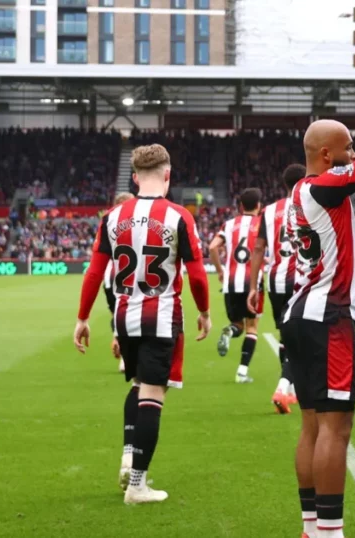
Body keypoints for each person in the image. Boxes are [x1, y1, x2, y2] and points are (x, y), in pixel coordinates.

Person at [269, 46, 355, 538]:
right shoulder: (324, 185)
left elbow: (320, 266)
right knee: (334, 429)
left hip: (307, 316)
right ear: (327, 155)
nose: (354, 152)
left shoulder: (296, 198)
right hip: (326, 319)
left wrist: (350, 323)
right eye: (347, 146)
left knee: (310, 426)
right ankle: (329, 532)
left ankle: (311, 526)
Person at [73, 143, 212, 504]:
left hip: (123, 317)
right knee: (153, 393)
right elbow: (197, 274)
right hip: (161, 316)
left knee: (138, 385)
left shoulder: (113, 217)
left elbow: (94, 271)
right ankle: (137, 483)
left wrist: (83, 318)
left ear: (135, 177)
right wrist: (205, 311)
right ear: (167, 174)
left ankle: (127, 457)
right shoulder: (179, 215)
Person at [248, 163, 307, 414]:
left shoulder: (270, 211)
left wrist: (253, 287)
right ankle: (284, 387)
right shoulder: (311, 205)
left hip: (275, 280)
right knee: (303, 338)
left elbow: (258, 249)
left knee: (287, 335)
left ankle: (292, 391)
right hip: (301, 279)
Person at [209, 188, 265, 383]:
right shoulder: (261, 224)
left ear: (240, 206)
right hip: (253, 283)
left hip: (230, 283)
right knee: (251, 328)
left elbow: (212, 247)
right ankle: (242, 372)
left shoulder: (229, 224)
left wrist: (220, 271)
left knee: (237, 325)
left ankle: (229, 331)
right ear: (259, 206)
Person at [105, 192, 136, 374]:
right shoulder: (135, 223)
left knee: (119, 315)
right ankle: (125, 352)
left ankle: (120, 344)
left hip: (110, 278)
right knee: (128, 315)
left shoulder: (108, 223)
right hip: (125, 276)